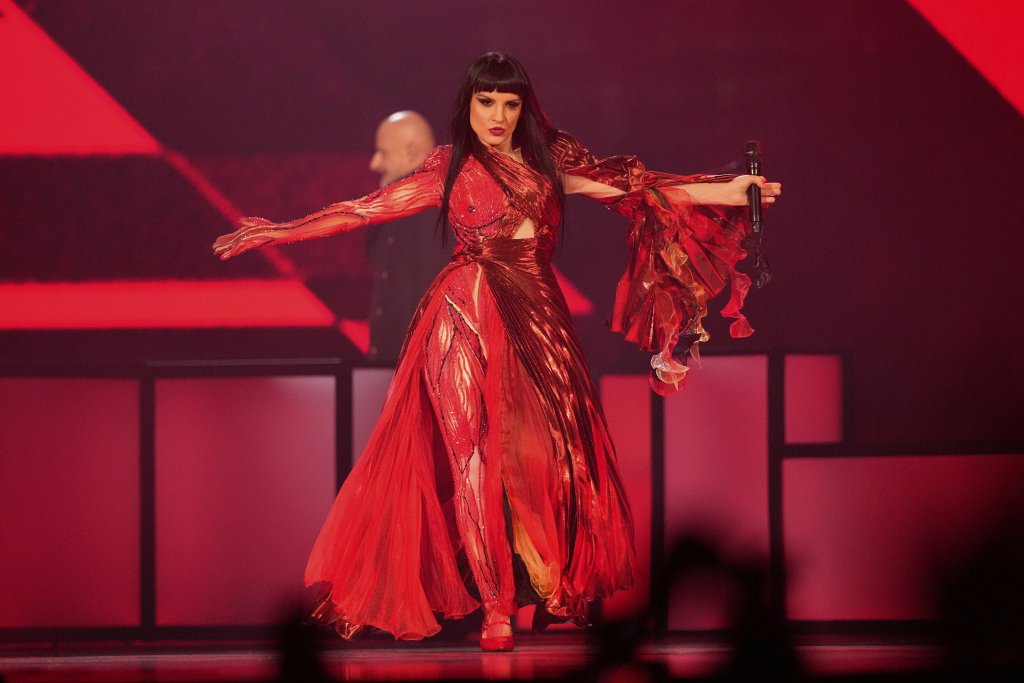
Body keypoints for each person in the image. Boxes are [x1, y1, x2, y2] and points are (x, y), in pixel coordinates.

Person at [214, 52, 780, 652]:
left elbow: (637, 188)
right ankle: (495, 609)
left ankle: (540, 581)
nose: (498, 115)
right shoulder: (449, 167)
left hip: (536, 315)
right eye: (487, 102)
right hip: (460, 307)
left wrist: (728, 189)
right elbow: (364, 209)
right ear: (469, 104)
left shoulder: (548, 158)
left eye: (510, 104)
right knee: (470, 461)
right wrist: (281, 230)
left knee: (555, 454)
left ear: (522, 108)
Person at [365, 111, 451, 364]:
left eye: (383, 153)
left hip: (419, 371)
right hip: (395, 370)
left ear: (412, 152)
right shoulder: (401, 204)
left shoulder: (435, 208)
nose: (374, 163)